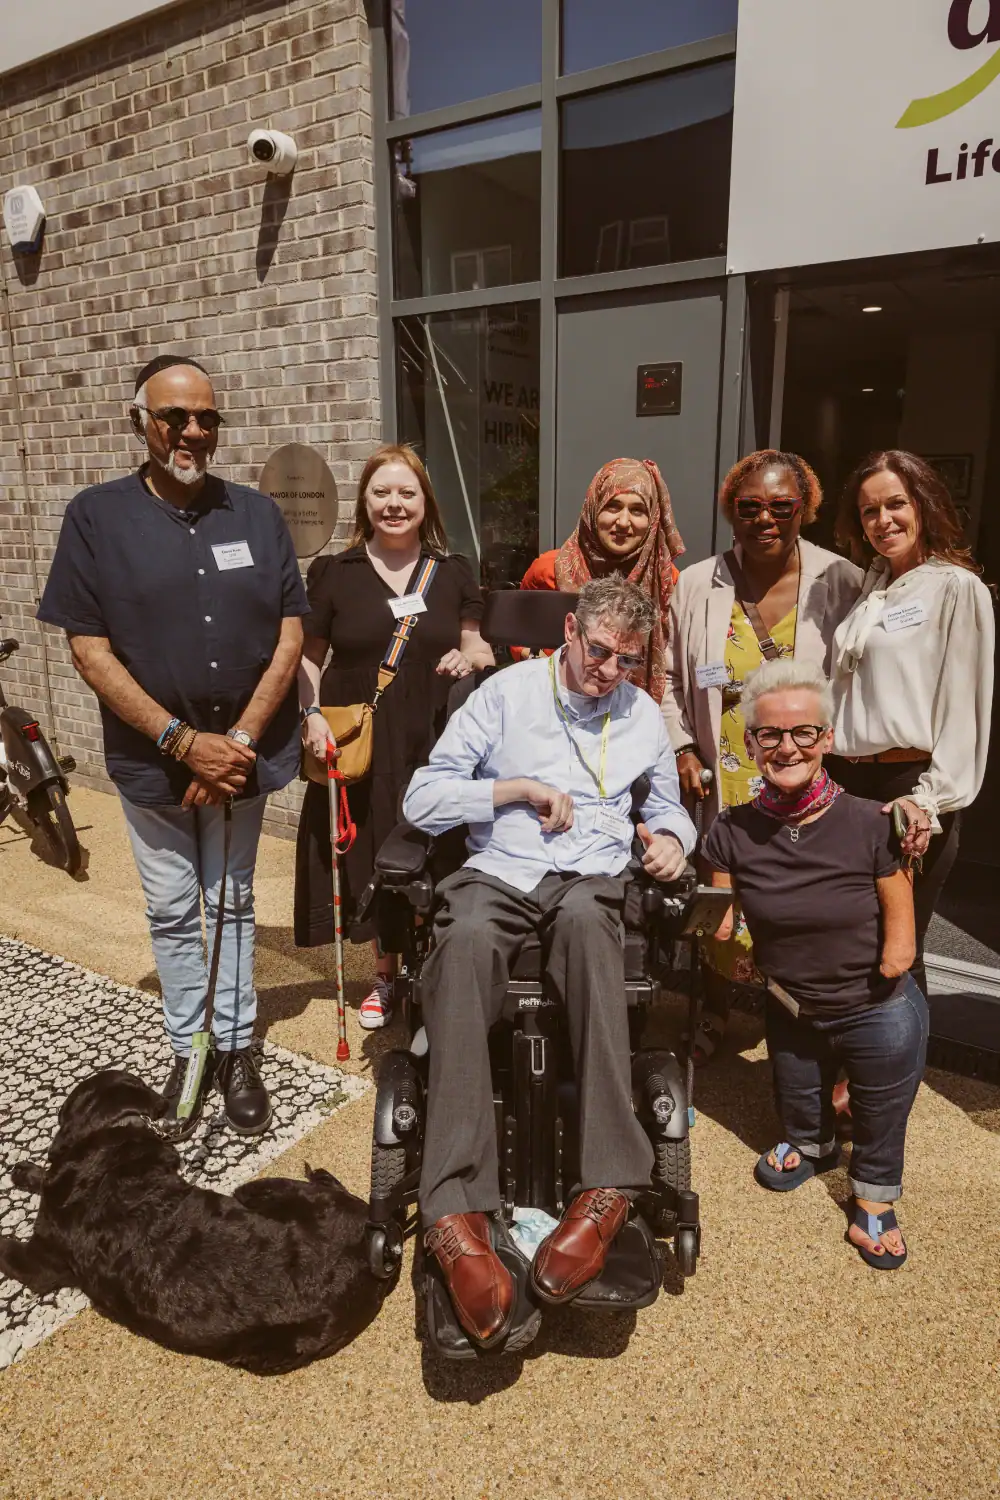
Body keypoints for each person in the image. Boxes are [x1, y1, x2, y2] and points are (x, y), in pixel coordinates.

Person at [402, 576, 695, 1348]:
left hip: (589, 879)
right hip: (499, 869)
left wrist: (671, 841)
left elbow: (667, 810)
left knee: (591, 935)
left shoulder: (642, 719)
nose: (608, 672)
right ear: (569, 631)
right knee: (460, 943)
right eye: (597, 651)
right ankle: (457, 1211)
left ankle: (608, 1186)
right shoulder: (504, 694)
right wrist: (512, 789)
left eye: (626, 661)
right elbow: (422, 798)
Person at [37, 354, 309, 1136]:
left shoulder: (257, 514)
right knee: (171, 909)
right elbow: (88, 650)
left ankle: (236, 1048)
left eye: (207, 418)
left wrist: (239, 742)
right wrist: (185, 743)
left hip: (243, 754)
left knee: (233, 900)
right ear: (140, 421)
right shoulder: (96, 517)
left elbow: (290, 632)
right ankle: (190, 1046)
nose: (193, 431)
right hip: (155, 760)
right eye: (175, 417)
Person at [703, 658, 924, 1270]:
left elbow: (898, 899)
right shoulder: (732, 829)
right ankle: (811, 1144)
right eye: (770, 734)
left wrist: (893, 960)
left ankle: (874, 1198)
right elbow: (724, 911)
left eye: (804, 732)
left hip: (874, 1003)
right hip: (790, 1000)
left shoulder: (869, 821)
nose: (787, 746)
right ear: (750, 744)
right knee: (797, 1089)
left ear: (827, 738)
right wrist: (721, 939)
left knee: (880, 1108)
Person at [663, 449, 862, 1062]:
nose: (765, 519)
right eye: (750, 507)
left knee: (796, 899)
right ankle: (717, 1011)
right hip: (723, 773)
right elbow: (669, 679)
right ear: (731, 510)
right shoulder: (698, 583)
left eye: (782, 506)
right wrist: (683, 747)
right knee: (724, 896)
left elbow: (856, 684)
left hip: (803, 773)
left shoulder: (840, 581)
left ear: (805, 510)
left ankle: (794, 1029)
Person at [295, 444, 493, 1029]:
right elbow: (308, 659)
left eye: (406, 492)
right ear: (364, 500)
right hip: (361, 738)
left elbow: (478, 642)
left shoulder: (452, 571)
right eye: (381, 492)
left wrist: (468, 655)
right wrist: (308, 716)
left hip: (437, 735)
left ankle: (440, 968)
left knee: (444, 848)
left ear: (424, 501)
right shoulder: (334, 573)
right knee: (374, 851)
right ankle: (384, 975)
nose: (394, 503)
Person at [828, 449, 995, 1001]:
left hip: (909, 787)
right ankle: (849, 1069)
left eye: (895, 504)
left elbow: (964, 708)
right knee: (852, 941)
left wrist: (931, 799)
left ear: (923, 503)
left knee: (897, 951)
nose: (883, 521)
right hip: (847, 787)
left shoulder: (954, 588)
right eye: (869, 510)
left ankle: (886, 1082)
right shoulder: (870, 591)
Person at [517, 456, 684, 702]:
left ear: (653, 519)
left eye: (637, 510)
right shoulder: (549, 570)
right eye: (613, 506)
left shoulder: (669, 583)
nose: (624, 522)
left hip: (634, 716)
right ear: (593, 507)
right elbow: (518, 634)